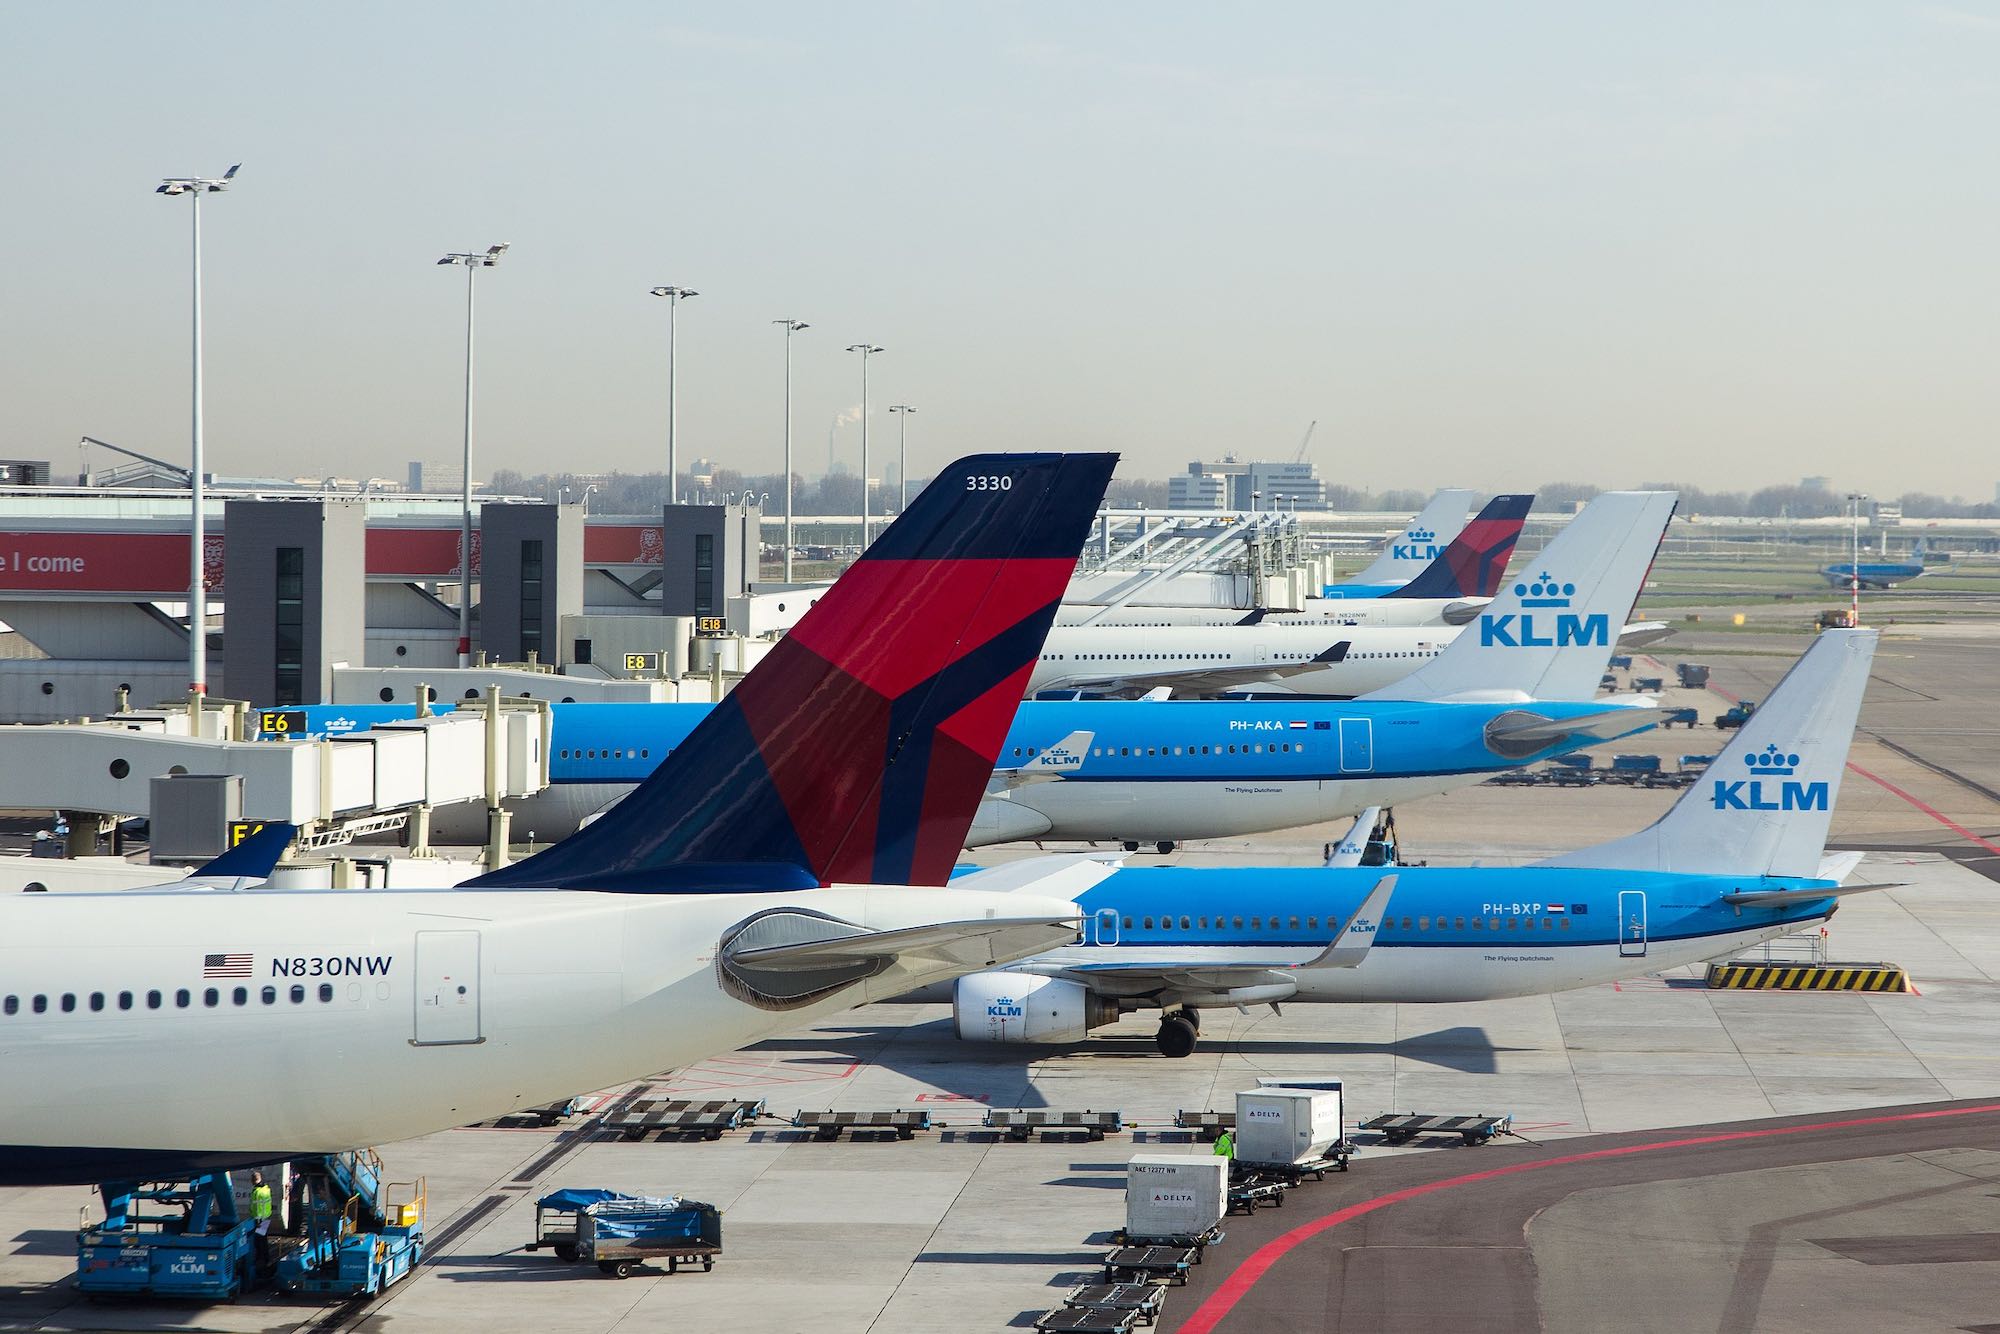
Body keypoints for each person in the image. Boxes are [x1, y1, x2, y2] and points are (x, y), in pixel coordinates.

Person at [249, 1170, 274, 1271]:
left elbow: (255, 1206)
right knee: (262, 1239)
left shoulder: (256, 1192)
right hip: (266, 1217)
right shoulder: (266, 1189)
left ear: (253, 1180)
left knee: (259, 1240)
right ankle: (264, 1259)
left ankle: (262, 1259)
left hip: (259, 1219)